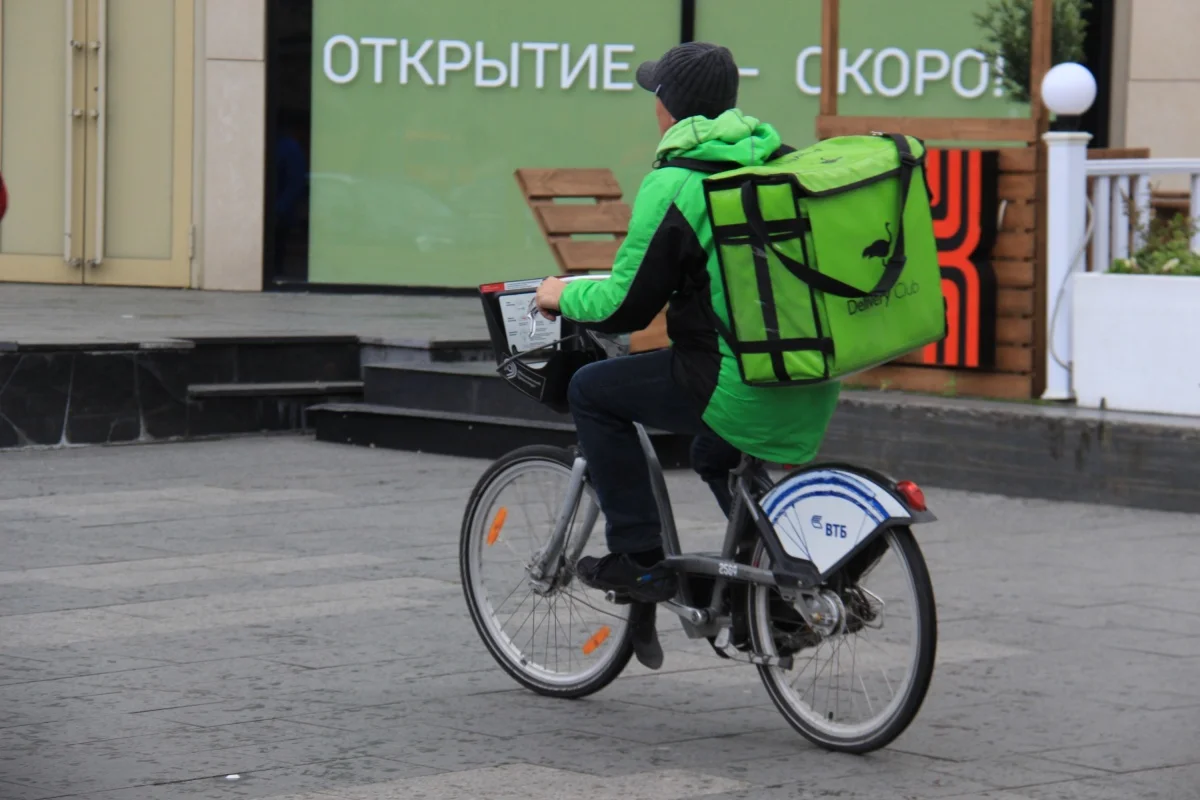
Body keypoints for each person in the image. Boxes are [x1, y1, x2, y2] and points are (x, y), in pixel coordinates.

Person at [533, 42, 841, 670]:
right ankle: (775, 592)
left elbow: (625, 307)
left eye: (656, 94)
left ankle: (641, 561)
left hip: (728, 378)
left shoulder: (676, 180)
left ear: (667, 108)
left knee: (594, 388)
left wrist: (560, 292)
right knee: (713, 455)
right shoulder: (774, 164)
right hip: (799, 370)